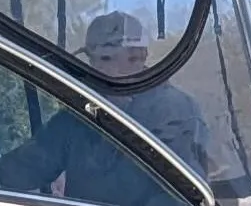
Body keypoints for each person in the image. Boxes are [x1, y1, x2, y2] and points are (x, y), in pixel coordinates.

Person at [79, 11, 222, 187]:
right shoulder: (80, 106)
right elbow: (39, 160)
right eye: (92, 58)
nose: (96, 67)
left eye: (105, 58)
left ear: (138, 56)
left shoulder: (176, 111)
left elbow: (184, 196)